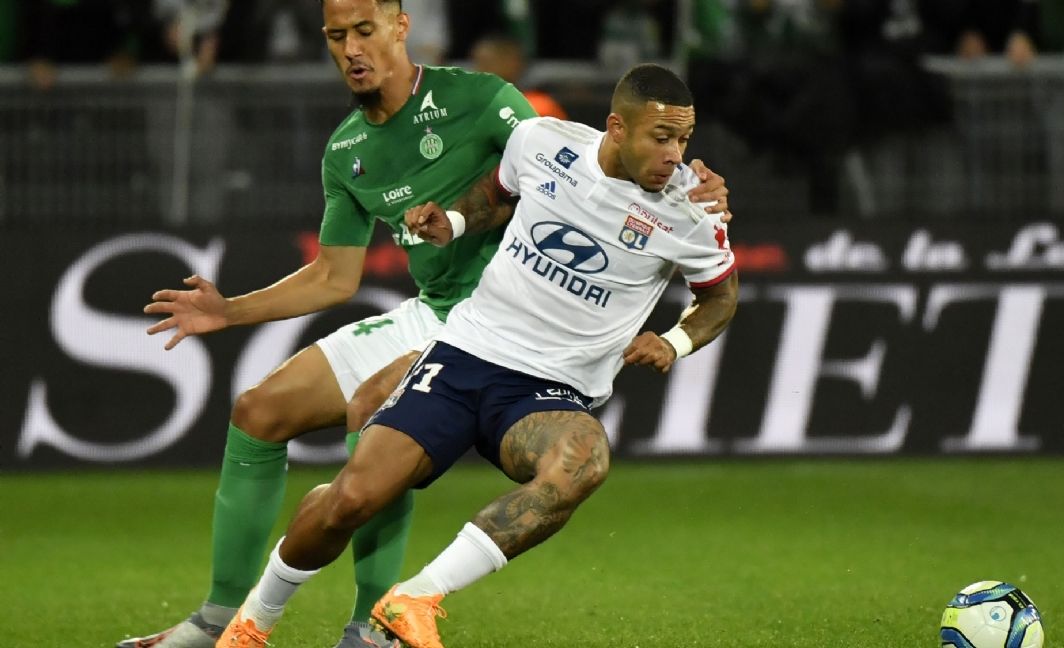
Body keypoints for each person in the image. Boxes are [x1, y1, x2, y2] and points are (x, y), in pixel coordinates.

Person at [124, 1, 733, 647]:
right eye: (337, 36)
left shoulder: (486, 101)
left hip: (524, 350)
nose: (352, 48)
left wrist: (678, 201)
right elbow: (342, 272)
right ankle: (230, 621)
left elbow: (592, 173)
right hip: (454, 327)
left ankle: (378, 621)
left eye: (364, 31)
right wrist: (231, 310)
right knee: (268, 418)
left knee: (393, 414)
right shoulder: (350, 148)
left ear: (400, 27)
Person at [470, 33, 568, 120]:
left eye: (487, 63)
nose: (478, 71)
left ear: (513, 63)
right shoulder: (470, 108)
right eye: (477, 63)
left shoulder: (540, 107)